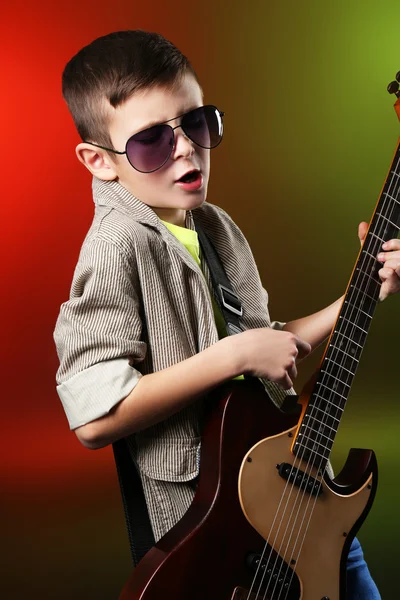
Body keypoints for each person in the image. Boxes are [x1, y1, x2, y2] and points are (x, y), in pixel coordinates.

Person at [54, 29, 399, 598]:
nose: (186, 149)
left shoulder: (214, 226)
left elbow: (267, 348)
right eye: (150, 142)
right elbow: (93, 415)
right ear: (100, 161)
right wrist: (233, 354)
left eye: (196, 123)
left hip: (298, 500)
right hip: (221, 534)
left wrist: (359, 294)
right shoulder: (117, 247)